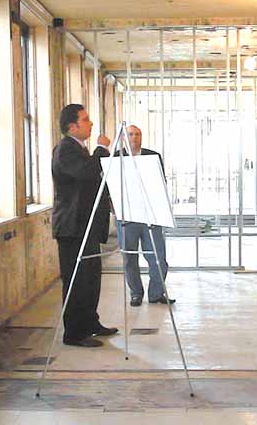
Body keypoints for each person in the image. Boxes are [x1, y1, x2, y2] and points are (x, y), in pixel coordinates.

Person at [52, 104, 118, 347]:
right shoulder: (65, 150)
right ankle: (74, 333)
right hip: (72, 227)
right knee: (76, 280)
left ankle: (90, 322)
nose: (90, 123)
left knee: (91, 277)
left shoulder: (79, 149)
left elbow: (94, 180)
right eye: (85, 119)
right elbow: (86, 173)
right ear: (72, 126)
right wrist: (101, 149)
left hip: (86, 226)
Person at [114, 125, 173, 307]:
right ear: (124, 137)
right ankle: (135, 293)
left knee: (158, 257)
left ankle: (156, 293)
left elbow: (161, 181)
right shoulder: (117, 157)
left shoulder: (152, 156)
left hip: (151, 214)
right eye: (131, 134)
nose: (135, 137)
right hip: (126, 216)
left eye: (138, 134)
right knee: (129, 257)